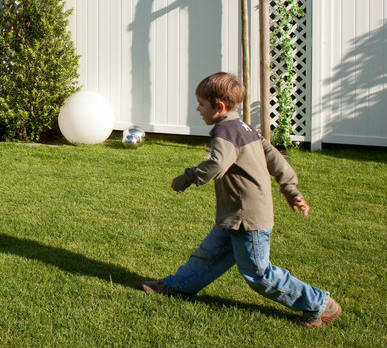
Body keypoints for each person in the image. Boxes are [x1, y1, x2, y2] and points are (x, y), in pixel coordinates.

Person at [141, 72, 341, 328]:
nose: (198, 108)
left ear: (219, 107)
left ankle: (318, 304)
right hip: (234, 215)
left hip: (247, 219)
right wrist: (291, 189)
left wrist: (187, 178)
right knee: (208, 256)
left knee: (260, 275)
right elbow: (276, 159)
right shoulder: (245, 128)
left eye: (202, 104)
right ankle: (176, 287)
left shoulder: (224, 131)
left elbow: (217, 164)